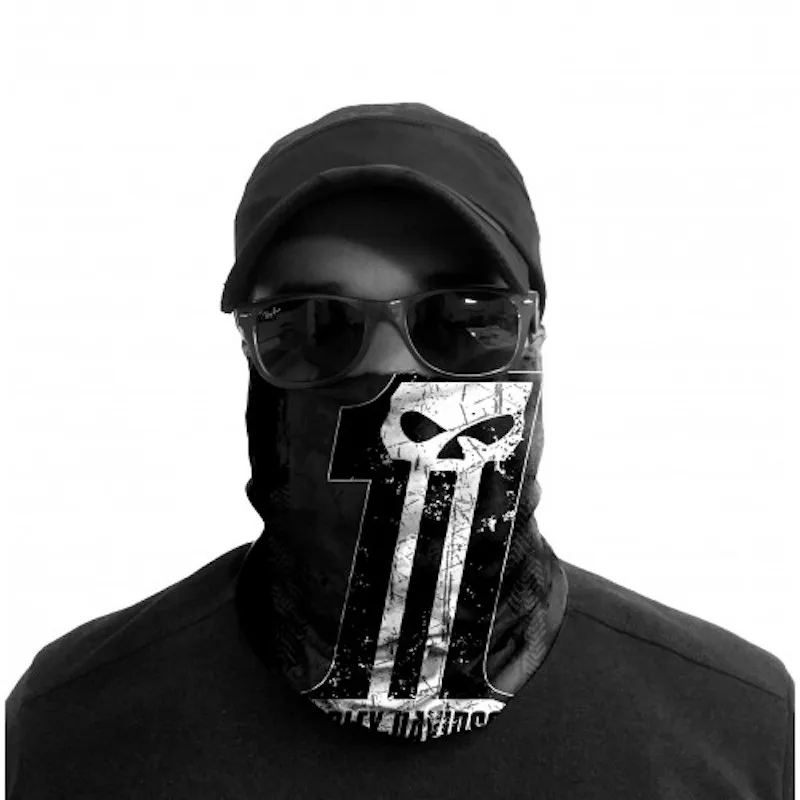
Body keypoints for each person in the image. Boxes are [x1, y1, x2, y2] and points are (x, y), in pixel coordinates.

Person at [6, 102, 793, 798]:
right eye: (313, 325)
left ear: (534, 340)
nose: (391, 375)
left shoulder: (742, 726)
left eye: (463, 319)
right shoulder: (71, 723)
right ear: (251, 354)